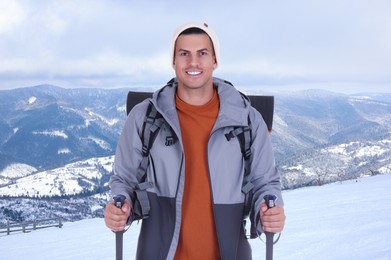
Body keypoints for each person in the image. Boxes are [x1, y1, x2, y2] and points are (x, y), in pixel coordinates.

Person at [104, 22, 285, 260]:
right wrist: (121, 206)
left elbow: (265, 182)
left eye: (202, 53)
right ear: (174, 62)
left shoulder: (247, 119)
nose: (193, 62)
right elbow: (124, 180)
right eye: (184, 54)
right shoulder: (144, 116)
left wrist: (267, 211)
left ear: (214, 60)